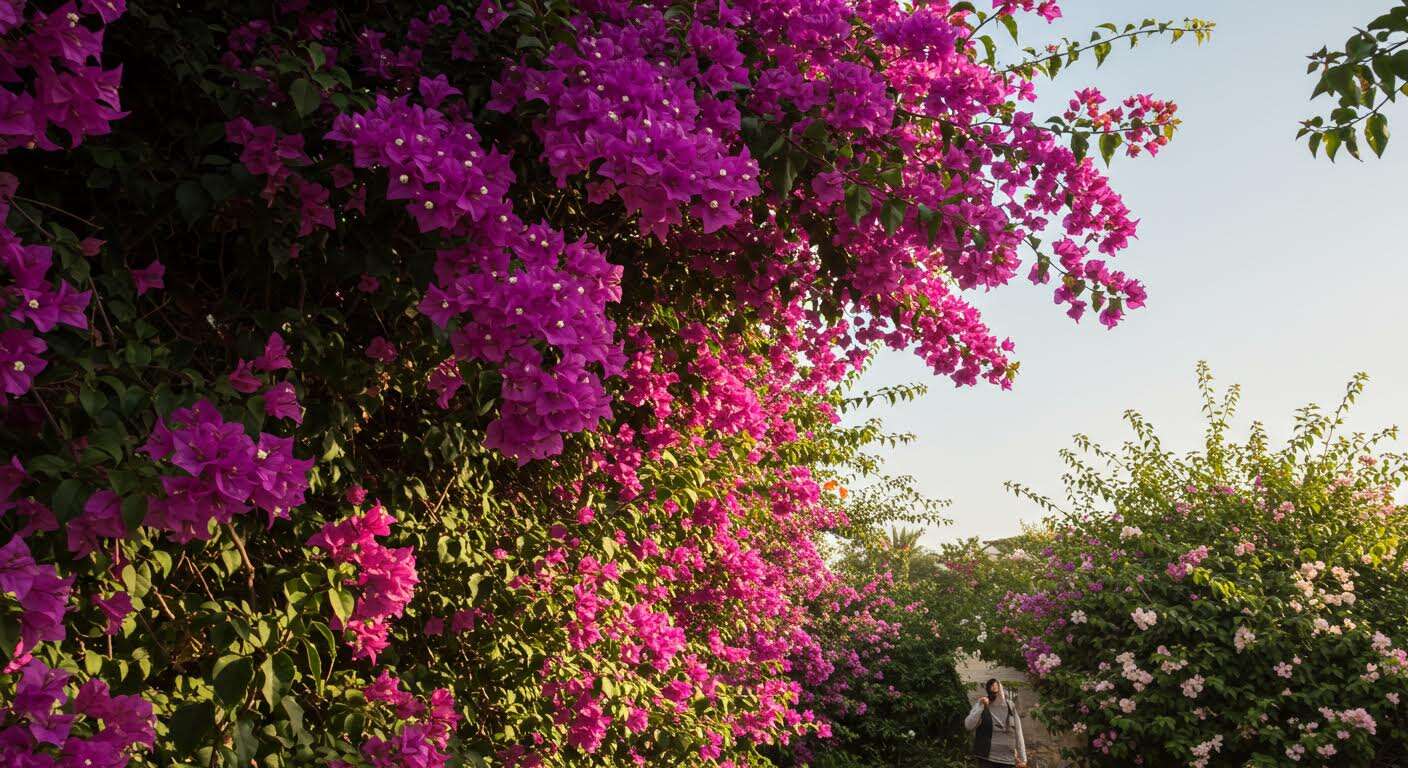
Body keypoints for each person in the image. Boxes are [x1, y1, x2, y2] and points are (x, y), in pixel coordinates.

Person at [964, 678, 1028, 768]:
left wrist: (1023, 758)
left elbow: (1018, 732)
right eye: (992, 686)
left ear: (1002, 689)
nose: (994, 689)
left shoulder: (1010, 706)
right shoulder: (982, 703)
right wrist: (981, 706)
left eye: (997, 686)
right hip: (986, 758)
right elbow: (968, 725)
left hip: (1007, 759)